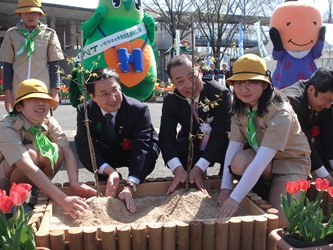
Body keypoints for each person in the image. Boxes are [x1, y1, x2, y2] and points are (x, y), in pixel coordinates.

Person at [217, 54, 311, 227]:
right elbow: (233, 148)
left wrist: (234, 199)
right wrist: (226, 187)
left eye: (251, 82)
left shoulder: (280, 111)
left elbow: (260, 162)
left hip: (290, 162)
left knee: (279, 223)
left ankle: (272, 192)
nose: (244, 89)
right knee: (238, 163)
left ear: (265, 84)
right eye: (238, 83)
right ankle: (263, 191)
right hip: (265, 161)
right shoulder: (240, 108)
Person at [0, 79, 96, 218]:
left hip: (29, 173)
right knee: (31, 153)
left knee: (56, 150)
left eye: (44, 99)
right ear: (19, 107)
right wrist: (62, 199)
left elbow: (67, 151)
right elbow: (26, 167)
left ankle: (38, 193)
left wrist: (74, 182)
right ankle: (13, 204)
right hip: (4, 180)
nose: (41, 103)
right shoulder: (7, 127)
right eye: (33, 99)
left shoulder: (48, 120)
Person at [75, 68, 160, 213]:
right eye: (104, 94)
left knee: (150, 148)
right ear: (93, 96)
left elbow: (142, 146)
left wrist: (130, 185)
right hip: (107, 151)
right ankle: (109, 176)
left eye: (115, 90)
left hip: (132, 151)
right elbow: (84, 145)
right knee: (86, 148)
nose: (113, 98)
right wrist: (110, 171)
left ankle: (134, 179)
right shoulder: (85, 111)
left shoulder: (138, 110)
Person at [159, 54, 232, 195]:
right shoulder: (171, 101)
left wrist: (199, 167)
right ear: (173, 83)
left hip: (219, 141)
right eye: (179, 82)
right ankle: (189, 176)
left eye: (192, 77)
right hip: (191, 140)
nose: (188, 85)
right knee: (180, 149)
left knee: (230, 148)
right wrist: (177, 168)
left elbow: (220, 135)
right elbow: (166, 138)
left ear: (200, 72)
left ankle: (224, 182)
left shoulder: (220, 93)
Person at [0, 0, 64, 113]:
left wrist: (55, 92)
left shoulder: (49, 34)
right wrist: (8, 92)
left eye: (34, 12)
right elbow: (7, 65)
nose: (30, 15)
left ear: (40, 14)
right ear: (20, 14)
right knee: (19, 123)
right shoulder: (11, 34)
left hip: (42, 89)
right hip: (18, 89)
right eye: (26, 12)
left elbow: (54, 65)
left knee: (42, 122)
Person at [281, 67, 333, 185]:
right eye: (327, 100)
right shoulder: (292, 102)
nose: (329, 106)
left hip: (303, 150)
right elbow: (303, 142)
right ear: (311, 89)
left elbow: (328, 134)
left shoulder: (325, 102)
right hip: (282, 153)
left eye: (332, 102)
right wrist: (327, 178)